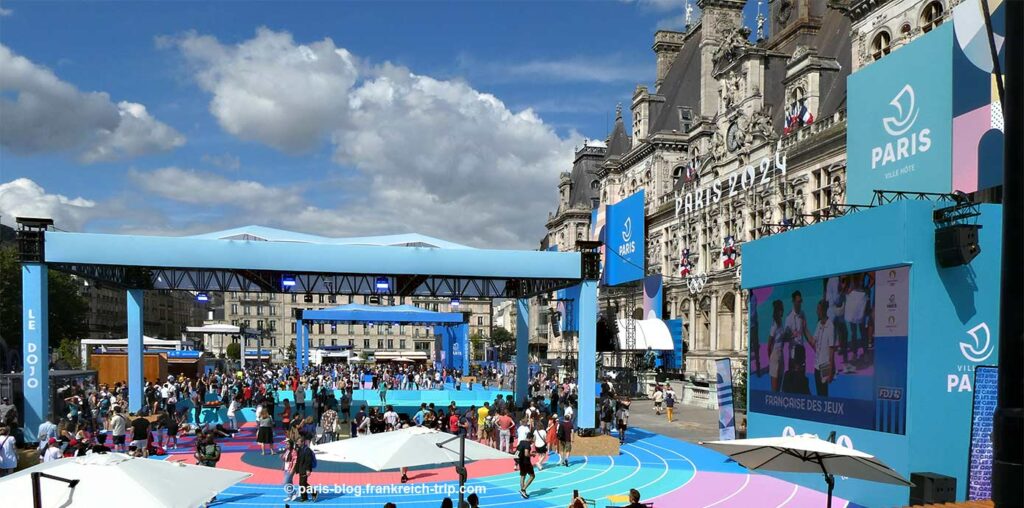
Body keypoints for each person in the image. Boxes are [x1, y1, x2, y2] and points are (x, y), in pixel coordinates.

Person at [812, 299, 837, 397]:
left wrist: (830, 371)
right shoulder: (819, 324)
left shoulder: (830, 326)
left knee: (823, 394)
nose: (816, 311)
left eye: (818, 309)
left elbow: (831, 351)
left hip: (825, 366)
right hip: (817, 366)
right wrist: (804, 329)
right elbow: (813, 341)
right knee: (819, 394)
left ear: (823, 310)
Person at [767, 299, 789, 392]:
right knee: (775, 386)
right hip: (775, 354)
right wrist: (771, 357)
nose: (782, 311)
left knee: (780, 379)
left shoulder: (780, 323)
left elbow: (782, 339)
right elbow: (769, 343)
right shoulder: (774, 324)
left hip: (781, 354)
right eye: (781, 309)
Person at [292, 434, 318, 503]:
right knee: (303, 483)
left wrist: (308, 470)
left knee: (302, 483)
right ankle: (313, 493)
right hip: (301, 468)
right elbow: (298, 460)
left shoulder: (307, 450)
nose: (297, 443)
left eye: (298, 442)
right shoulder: (300, 449)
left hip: (304, 469)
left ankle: (305, 497)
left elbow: (308, 461)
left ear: (302, 442)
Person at [516, 429, 536, 498]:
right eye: (532, 439)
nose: (533, 440)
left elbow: (518, 451)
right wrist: (532, 455)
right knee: (532, 476)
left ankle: (523, 492)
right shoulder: (527, 444)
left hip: (521, 461)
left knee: (523, 476)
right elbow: (526, 454)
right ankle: (523, 489)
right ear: (530, 438)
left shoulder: (521, 442)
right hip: (526, 462)